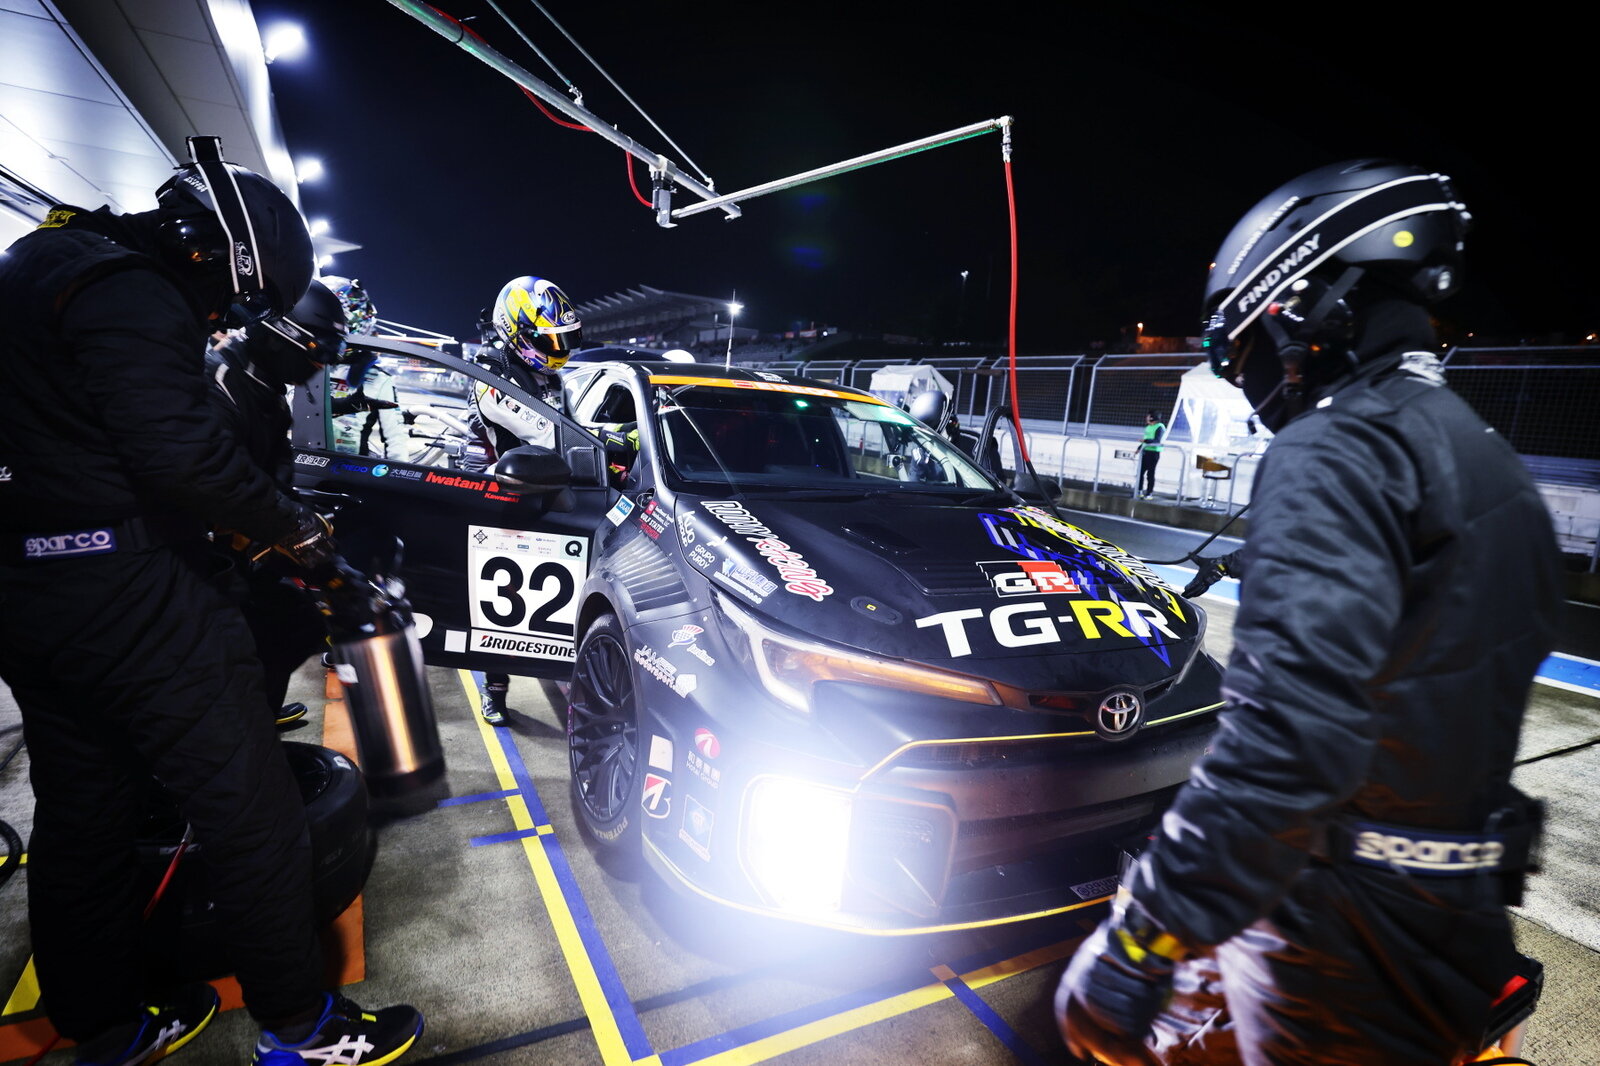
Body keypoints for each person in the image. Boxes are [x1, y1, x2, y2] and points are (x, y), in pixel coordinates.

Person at [1055, 158, 1563, 1066]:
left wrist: (1140, 942)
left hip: (1339, 938)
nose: (1254, 385)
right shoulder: (1493, 465)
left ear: (1299, 304)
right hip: (1461, 920)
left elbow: (1284, 748)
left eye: (1244, 350)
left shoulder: (1337, 449)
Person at [0, 136, 422, 1066]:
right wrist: (296, 530)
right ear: (215, 252)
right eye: (230, 298)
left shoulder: (36, 260)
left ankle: (106, 1028)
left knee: (82, 817)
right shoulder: (129, 288)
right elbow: (182, 456)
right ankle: (302, 1030)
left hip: (28, 591)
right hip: (133, 595)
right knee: (253, 811)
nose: (223, 318)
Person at [207, 280, 350, 728]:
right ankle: (237, 730)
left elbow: (277, 481)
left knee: (296, 621)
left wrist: (328, 564)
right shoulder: (219, 383)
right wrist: (302, 536)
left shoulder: (265, 386)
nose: (321, 365)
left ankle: (257, 719)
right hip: (191, 554)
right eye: (318, 352)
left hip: (232, 547)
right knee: (257, 630)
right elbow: (226, 485)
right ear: (281, 335)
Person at [462, 276, 584, 725]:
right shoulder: (490, 374)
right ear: (515, 331)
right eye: (549, 339)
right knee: (503, 607)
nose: (558, 348)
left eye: (563, 338)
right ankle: (494, 689)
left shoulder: (550, 375)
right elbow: (550, 433)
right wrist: (608, 441)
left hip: (552, 493)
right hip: (505, 498)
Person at [324, 275, 411, 460]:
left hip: (348, 470)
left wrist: (398, 475)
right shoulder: (304, 364)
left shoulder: (378, 379)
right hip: (300, 463)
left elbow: (396, 439)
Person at [1138, 410, 1165, 499]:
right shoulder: (1148, 427)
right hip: (1146, 451)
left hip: (1154, 453)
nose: (1147, 418)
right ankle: (1139, 490)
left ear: (1152, 417)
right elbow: (1146, 438)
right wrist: (1139, 448)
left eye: (1148, 416)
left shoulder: (1160, 427)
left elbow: (1157, 440)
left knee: (1150, 473)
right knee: (1140, 472)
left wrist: (1145, 441)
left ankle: (1149, 493)